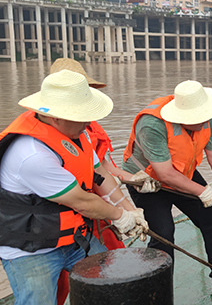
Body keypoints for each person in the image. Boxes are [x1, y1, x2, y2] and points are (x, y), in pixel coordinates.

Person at [0, 70, 149, 305]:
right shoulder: (32, 154)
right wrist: (120, 217)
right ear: (56, 117)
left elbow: (99, 174)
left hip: (74, 238)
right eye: (82, 116)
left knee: (114, 282)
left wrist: (129, 209)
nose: (89, 123)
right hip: (31, 249)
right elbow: (82, 201)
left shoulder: (77, 135)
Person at [122, 80, 212, 291]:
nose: (203, 122)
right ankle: (159, 291)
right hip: (147, 182)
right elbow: (165, 174)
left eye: (204, 116)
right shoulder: (152, 125)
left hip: (183, 173)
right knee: (163, 234)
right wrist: (203, 191)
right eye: (197, 118)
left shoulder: (206, 122)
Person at [49, 58, 157, 304]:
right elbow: (83, 192)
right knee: (58, 286)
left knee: (109, 263)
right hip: (65, 217)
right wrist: (122, 214)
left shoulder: (86, 129)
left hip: (93, 211)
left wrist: (132, 193)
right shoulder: (38, 142)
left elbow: (101, 168)